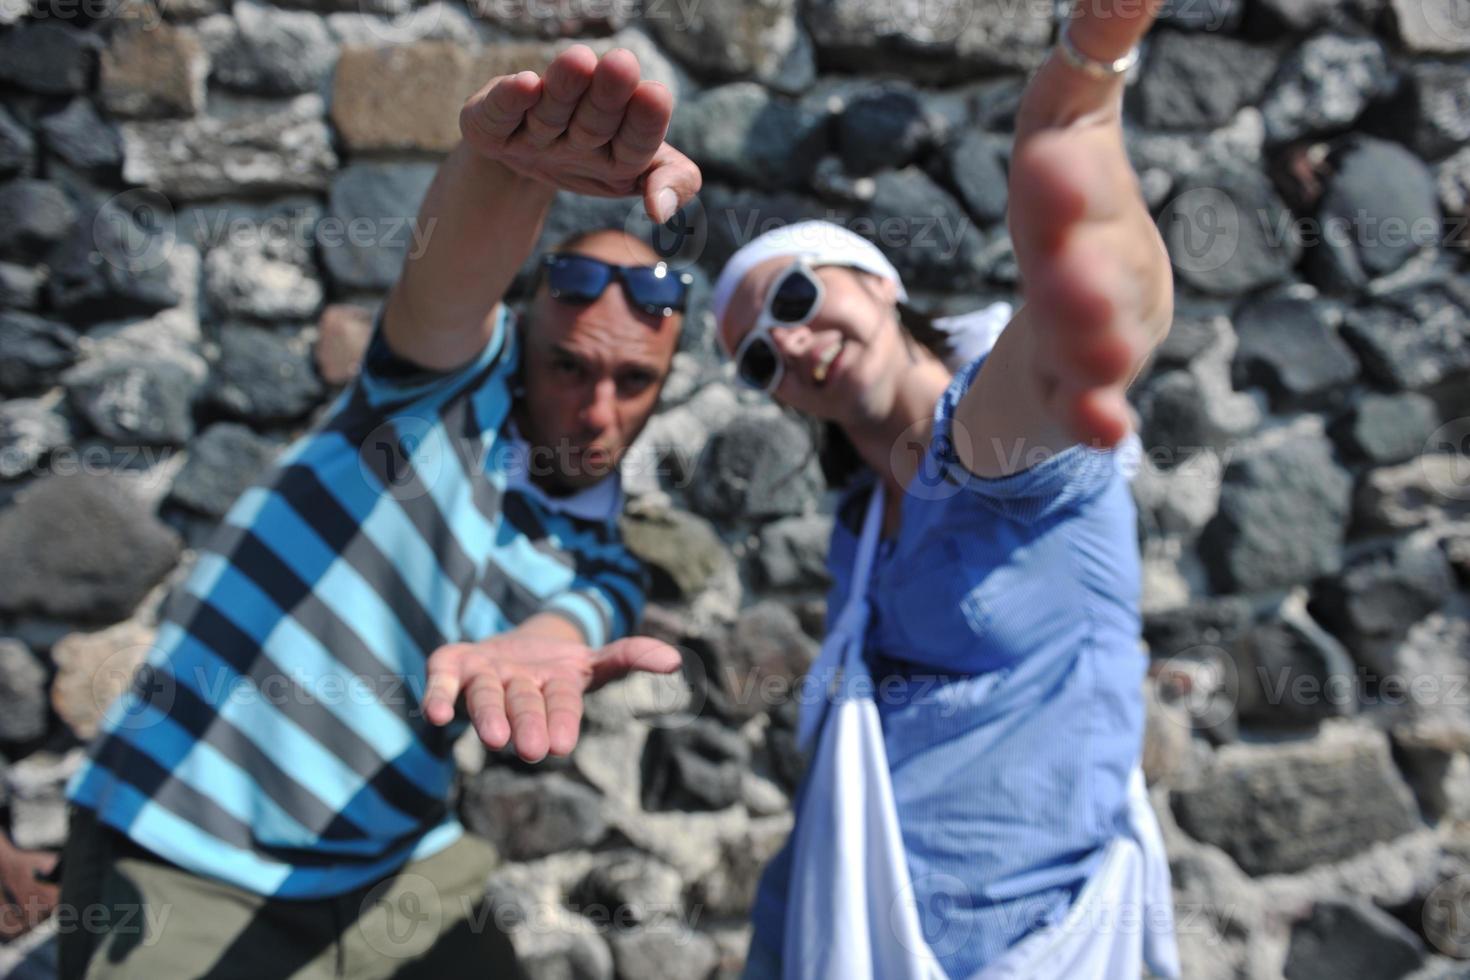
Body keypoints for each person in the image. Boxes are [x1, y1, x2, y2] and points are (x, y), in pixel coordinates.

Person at [56, 45, 701, 979]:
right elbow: (448, 288)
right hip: (183, 841)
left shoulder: (605, 560)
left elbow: (571, 624)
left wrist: (530, 649)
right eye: (569, 365)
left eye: (632, 380)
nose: (597, 408)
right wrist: (507, 171)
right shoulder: (435, 402)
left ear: (664, 388)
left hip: (389, 869)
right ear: (523, 348)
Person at [712, 1, 1182, 977]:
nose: (788, 344)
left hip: (1020, 944)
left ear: (879, 282)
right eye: (759, 359)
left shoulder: (983, 439)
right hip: (832, 930)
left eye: (796, 297)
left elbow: (1056, 359)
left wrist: (1080, 106)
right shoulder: (855, 529)